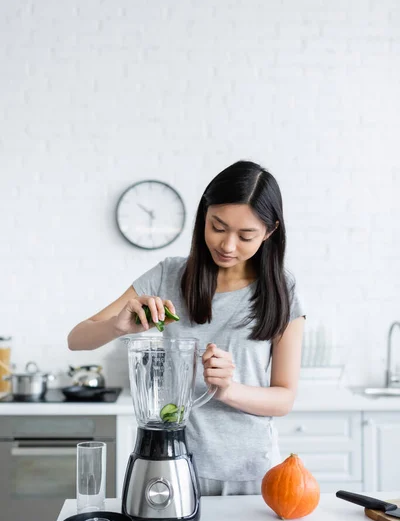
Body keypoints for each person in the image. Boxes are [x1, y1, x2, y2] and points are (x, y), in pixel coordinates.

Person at [68, 160, 305, 496]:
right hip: (173, 465)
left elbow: (284, 398)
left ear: (269, 231)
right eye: (218, 227)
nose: (227, 245)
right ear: (203, 217)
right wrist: (118, 326)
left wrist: (228, 389)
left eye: (246, 235)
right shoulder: (169, 276)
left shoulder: (283, 290)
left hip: (251, 472)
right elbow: (77, 339)